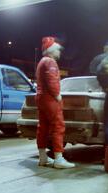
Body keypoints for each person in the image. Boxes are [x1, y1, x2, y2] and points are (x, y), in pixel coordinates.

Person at [35, 36, 75, 169]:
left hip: (41, 98)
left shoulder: (41, 61)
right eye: (57, 50)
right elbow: (52, 81)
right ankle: (59, 159)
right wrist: (57, 95)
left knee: (43, 128)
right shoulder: (50, 62)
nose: (59, 52)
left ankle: (43, 157)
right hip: (49, 99)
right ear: (51, 50)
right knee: (58, 126)